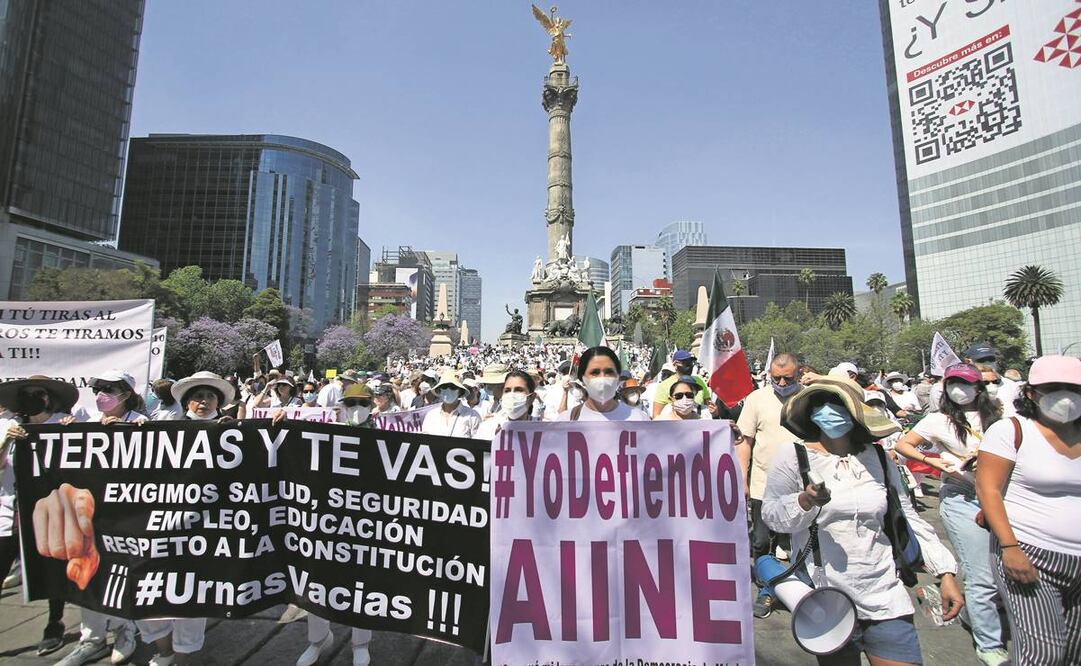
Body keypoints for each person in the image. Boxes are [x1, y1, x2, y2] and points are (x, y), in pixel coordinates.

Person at [763, 376, 963, 665]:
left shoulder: (879, 458)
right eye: (819, 404)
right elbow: (773, 516)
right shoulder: (793, 456)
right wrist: (805, 501)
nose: (827, 411)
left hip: (885, 593)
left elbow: (907, 517)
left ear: (855, 410)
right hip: (826, 598)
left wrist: (944, 573)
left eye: (836, 403)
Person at [892, 363, 1007, 664]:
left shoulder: (1002, 415)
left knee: (996, 564)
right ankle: (989, 644)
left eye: (965, 383)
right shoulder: (937, 421)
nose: (958, 389)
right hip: (962, 497)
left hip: (1004, 496)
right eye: (952, 383)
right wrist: (933, 461)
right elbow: (904, 444)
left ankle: (972, 609)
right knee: (982, 573)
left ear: (979, 388)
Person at [976, 355, 1081, 666]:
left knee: (1073, 653)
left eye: (1073, 388)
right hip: (1030, 553)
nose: (1065, 397)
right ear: (1032, 394)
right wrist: (1009, 547)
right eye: (1053, 389)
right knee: (1043, 654)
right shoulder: (1011, 431)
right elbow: (988, 490)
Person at [0, 376, 80, 658]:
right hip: (9, 514)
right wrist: (5, 442)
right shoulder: (9, 426)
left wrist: (71, 434)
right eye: (27, 394)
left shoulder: (63, 423)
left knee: (52, 571)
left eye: (39, 393)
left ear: (49, 397)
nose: (32, 398)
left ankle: (54, 624)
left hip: (51, 514)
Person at [735, 352, 802, 618]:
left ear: (799, 374)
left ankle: (797, 586)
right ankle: (767, 589)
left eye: (788, 378)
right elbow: (744, 441)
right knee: (762, 540)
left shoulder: (809, 397)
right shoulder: (756, 399)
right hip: (764, 484)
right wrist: (742, 476)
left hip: (801, 488)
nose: (782, 384)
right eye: (777, 378)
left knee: (798, 541)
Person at [556, 347, 649, 422]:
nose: (602, 378)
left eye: (609, 372)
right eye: (595, 372)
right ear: (583, 379)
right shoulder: (567, 421)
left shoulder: (640, 419)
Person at [476, 370, 539, 439]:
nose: (512, 395)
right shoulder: (487, 428)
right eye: (507, 390)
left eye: (519, 390)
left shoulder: (543, 429)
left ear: (531, 398)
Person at [651, 350, 709, 418]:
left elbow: (708, 404)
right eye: (686, 363)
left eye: (691, 362)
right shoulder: (664, 386)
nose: (690, 366)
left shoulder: (700, 381)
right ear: (675, 365)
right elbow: (656, 415)